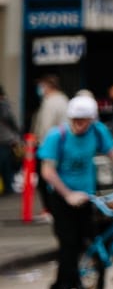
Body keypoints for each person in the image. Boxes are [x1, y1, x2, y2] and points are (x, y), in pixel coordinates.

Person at [38, 94, 113, 289]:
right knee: (69, 243)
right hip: (62, 197)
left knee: (92, 240)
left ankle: (92, 281)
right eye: (75, 120)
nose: (79, 125)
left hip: (87, 195)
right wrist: (68, 194)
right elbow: (47, 171)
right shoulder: (57, 136)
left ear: (91, 119)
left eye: (83, 120)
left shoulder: (97, 132)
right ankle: (64, 285)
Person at [32, 78, 70, 220]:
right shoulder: (64, 99)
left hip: (49, 147)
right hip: (63, 145)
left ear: (48, 86)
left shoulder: (50, 102)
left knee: (46, 178)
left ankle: (50, 210)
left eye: (41, 86)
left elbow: (46, 127)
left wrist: (39, 143)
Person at [0, 85, 22, 196]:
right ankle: (8, 187)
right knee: (6, 165)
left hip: (5, 139)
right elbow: (12, 121)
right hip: (5, 139)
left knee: (6, 164)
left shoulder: (3, 105)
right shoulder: (4, 105)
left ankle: (8, 187)